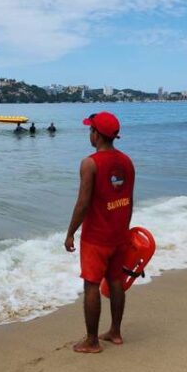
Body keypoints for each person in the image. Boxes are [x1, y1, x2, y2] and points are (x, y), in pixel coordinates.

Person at [64, 112, 135, 354]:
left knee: (92, 285)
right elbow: (129, 200)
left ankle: (92, 340)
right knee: (116, 281)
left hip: (96, 236)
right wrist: (124, 229)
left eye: (90, 130)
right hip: (119, 234)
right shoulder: (127, 161)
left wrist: (70, 232)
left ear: (96, 134)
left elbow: (83, 203)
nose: (89, 134)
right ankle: (115, 331)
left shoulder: (90, 163)